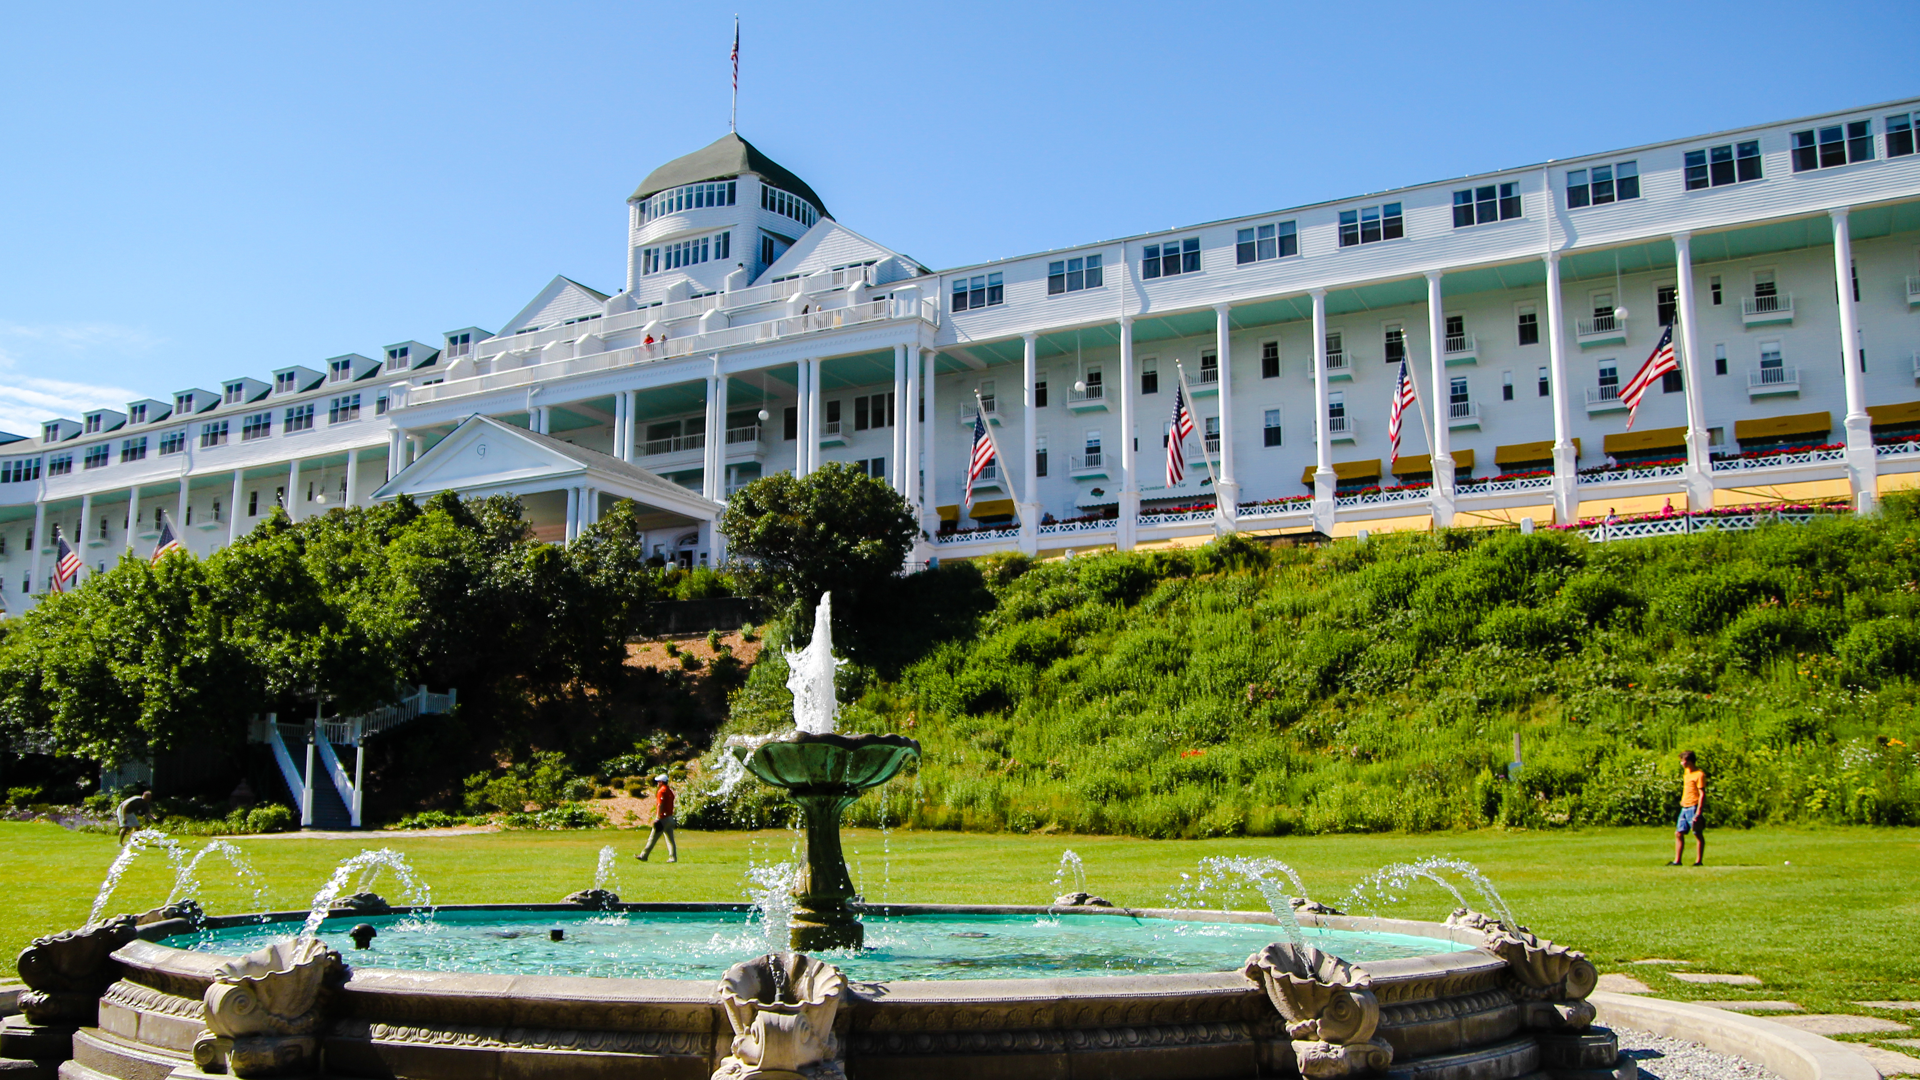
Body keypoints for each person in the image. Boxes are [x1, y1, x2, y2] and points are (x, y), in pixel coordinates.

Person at [1670, 751, 1706, 866]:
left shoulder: (1699, 774)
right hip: (1684, 806)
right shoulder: (1686, 772)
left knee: (1697, 833)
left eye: (1683, 761)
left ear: (1690, 761)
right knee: (1679, 833)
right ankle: (1677, 860)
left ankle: (1699, 861)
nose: (1682, 763)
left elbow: (1702, 794)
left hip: (1693, 806)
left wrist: (1699, 812)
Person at [636, 774, 678, 863]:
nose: (657, 784)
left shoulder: (661, 791)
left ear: (662, 782)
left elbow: (660, 804)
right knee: (670, 839)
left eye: (658, 782)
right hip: (670, 818)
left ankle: (644, 855)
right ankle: (673, 857)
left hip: (663, 818)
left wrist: (658, 817)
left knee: (652, 838)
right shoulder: (670, 791)